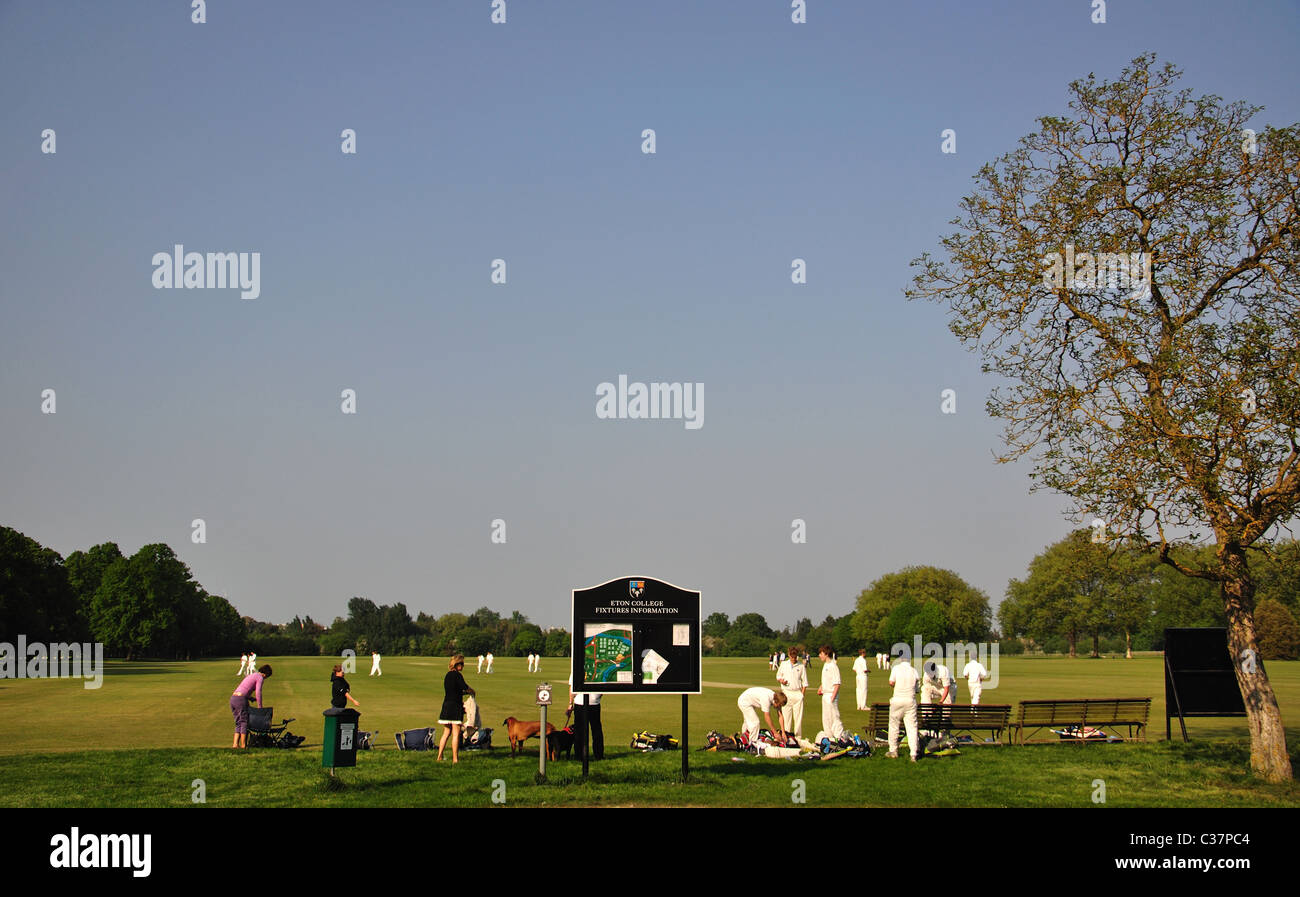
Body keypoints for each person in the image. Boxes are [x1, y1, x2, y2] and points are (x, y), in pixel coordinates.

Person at [437, 655, 475, 763]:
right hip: (455, 706)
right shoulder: (458, 675)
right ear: (457, 665)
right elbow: (465, 687)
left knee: (446, 732)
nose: (463, 666)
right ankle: (455, 759)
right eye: (462, 664)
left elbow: (453, 690)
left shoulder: (447, 675)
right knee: (456, 733)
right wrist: (472, 691)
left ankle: (439, 756)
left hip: (446, 705)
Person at [230, 664, 272, 749]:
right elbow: (258, 692)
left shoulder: (252, 675)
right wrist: (260, 706)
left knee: (238, 722)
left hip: (233, 698)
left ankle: (235, 744)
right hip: (241, 700)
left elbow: (243, 688)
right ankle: (243, 745)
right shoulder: (260, 677)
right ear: (265, 674)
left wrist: (250, 698)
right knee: (244, 722)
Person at [887, 654, 919, 761]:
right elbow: (917, 689)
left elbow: (891, 682)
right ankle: (913, 753)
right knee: (912, 727)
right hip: (910, 700)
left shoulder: (896, 668)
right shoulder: (914, 671)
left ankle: (893, 750)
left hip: (897, 700)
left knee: (894, 726)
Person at [567, 675, 604, 761]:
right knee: (596, 730)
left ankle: (579, 756)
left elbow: (572, 688)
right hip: (594, 703)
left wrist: (570, 703)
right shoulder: (597, 669)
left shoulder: (576, 668)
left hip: (581, 704)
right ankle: (598, 755)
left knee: (580, 731)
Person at [775, 645, 807, 737]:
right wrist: (781, 680)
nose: (793, 658)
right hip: (786, 693)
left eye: (795, 656)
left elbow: (805, 683)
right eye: (791, 656)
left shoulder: (801, 666)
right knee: (786, 717)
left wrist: (802, 695)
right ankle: (787, 736)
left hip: (797, 693)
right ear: (788, 655)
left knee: (798, 718)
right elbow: (778, 676)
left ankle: (798, 737)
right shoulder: (784, 664)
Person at [817, 645, 846, 740]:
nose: (819, 655)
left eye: (821, 654)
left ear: (826, 654)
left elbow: (837, 683)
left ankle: (839, 737)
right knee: (826, 718)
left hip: (831, 695)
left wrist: (832, 697)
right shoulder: (826, 665)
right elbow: (826, 680)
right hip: (825, 695)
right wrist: (821, 688)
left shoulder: (833, 666)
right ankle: (829, 737)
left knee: (834, 717)